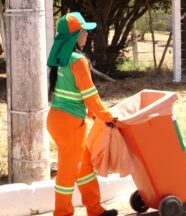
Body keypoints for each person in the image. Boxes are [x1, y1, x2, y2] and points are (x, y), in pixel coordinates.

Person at [46, 12, 119, 216]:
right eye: (84, 30)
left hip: (58, 119)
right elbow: (90, 94)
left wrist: (92, 115)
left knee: (84, 165)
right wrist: (106, 116)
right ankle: (62, 213)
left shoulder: (60, 56)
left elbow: (69, 92)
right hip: (70, 124)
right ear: (75, 35)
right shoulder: (78, 60)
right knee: (68, 172)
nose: (87, 34)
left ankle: (95, 210)